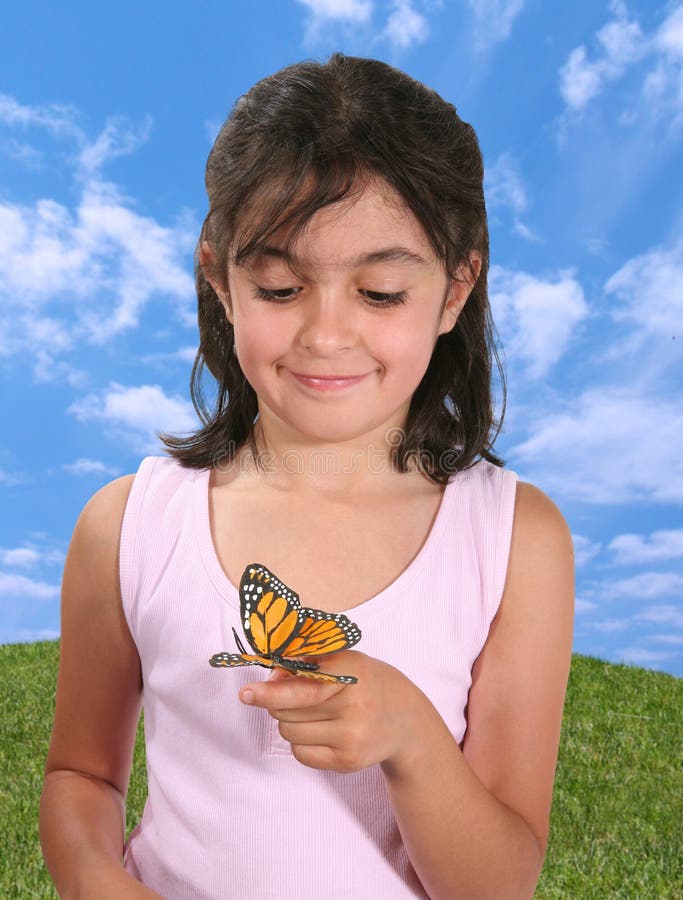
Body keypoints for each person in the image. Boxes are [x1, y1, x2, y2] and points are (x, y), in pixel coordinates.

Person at [40, 53, 574, 899]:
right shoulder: (129, 525)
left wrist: (411, 738)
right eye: (282, 286)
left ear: (453, 289)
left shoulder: (514, 541)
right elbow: (83, 776)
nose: (327, 336)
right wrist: (98, 883)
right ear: (219, 278)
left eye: (382, 292)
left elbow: (498, 882)